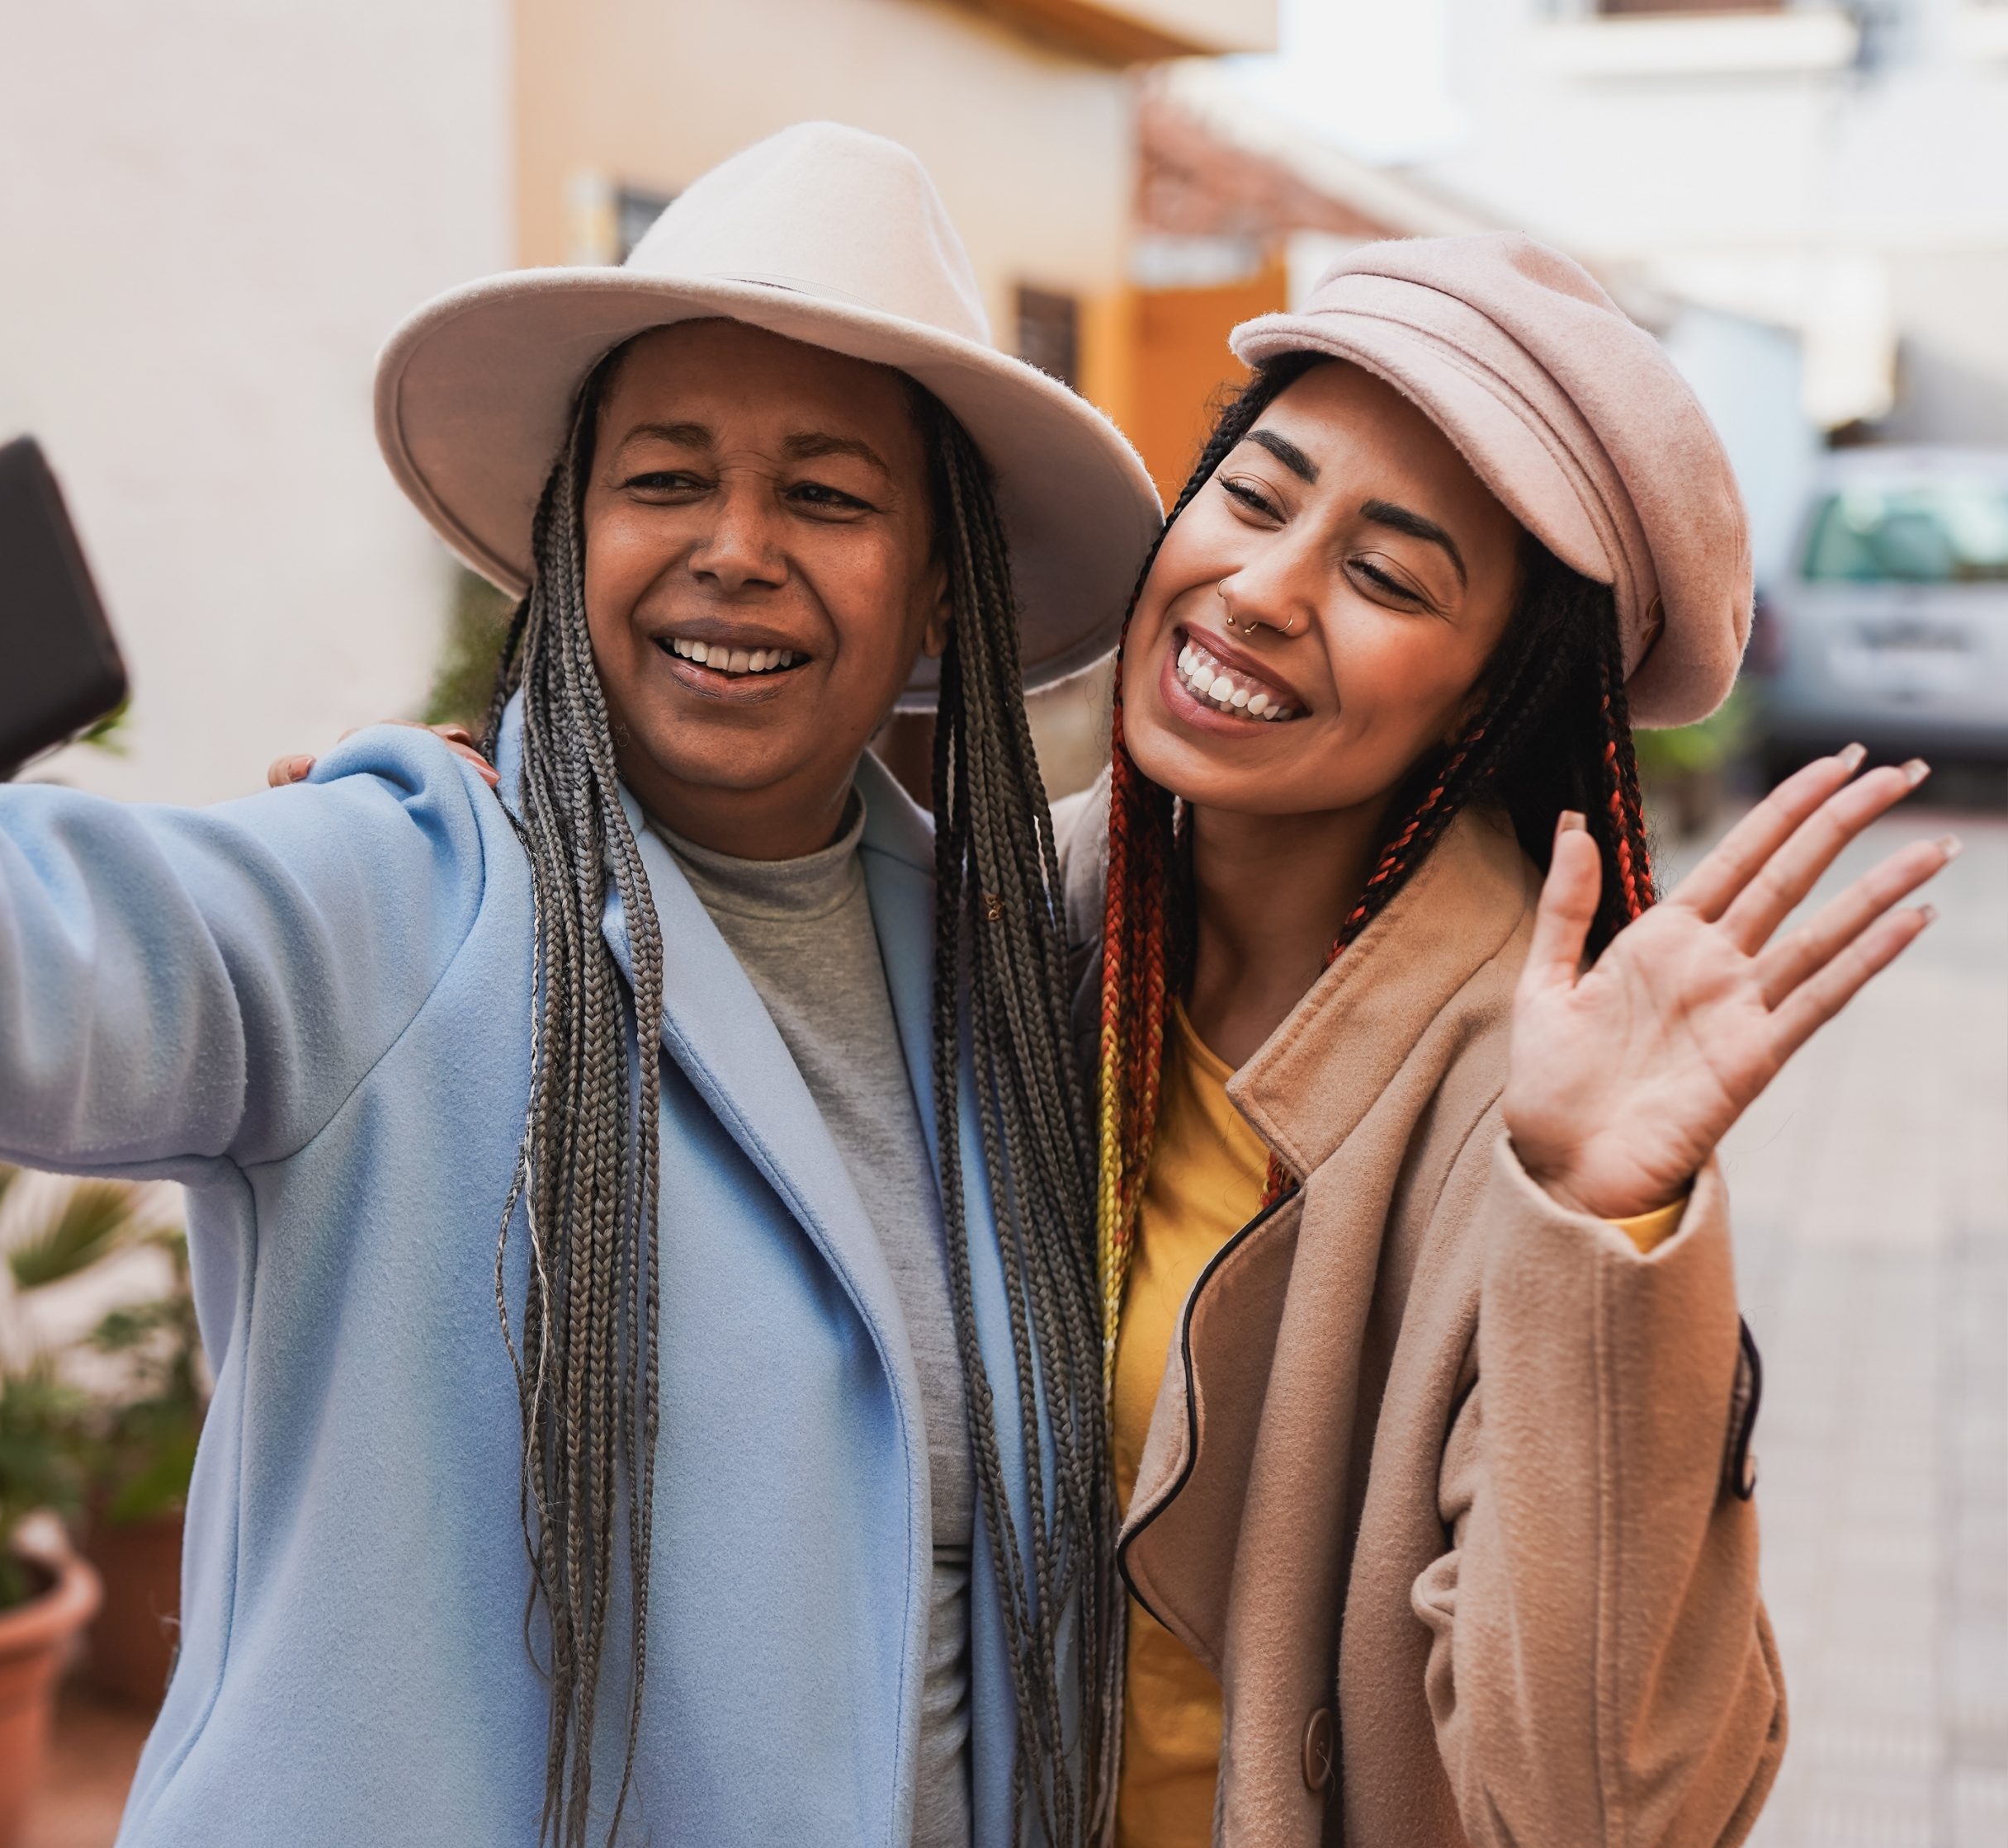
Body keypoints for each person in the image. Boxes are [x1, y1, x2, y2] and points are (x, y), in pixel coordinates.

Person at [0, 125, 1168, 1846]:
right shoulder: (400, 895)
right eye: (663, 478)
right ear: (571, 537)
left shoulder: (1023, 975)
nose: (734, 543)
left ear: (940, 576)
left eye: (826, 493)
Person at [360, 235, 1947, 1847]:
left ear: (1487, 699)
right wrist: (493, 855)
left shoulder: (1531, 1111)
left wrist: (1603, 1231)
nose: (1262, 589)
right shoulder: (1008, 921)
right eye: (1255, 500)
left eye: (1389, 574)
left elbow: (1609, 1810)